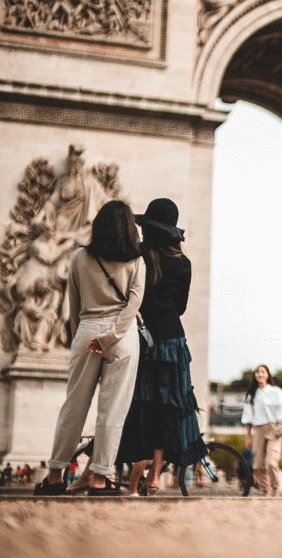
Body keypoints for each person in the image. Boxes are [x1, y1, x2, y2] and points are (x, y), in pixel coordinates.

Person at [35, 200, 145, 496]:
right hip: (123, 337)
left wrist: (83, 338)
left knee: (74, 406)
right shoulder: (137, 260)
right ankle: (99, 477)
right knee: (112, 411)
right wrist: (111, 337)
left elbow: (73, 306)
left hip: (87, 331)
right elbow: (134, 305)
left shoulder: (79, 257)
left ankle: (55, 475)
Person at [117, 198, 207, 497]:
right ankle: (155, 475)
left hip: (142, 338)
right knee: (169, 408)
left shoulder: (139, 257)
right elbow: (180, 307)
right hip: (173, 341)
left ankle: (133, 477)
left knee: (140, 407)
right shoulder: (184, 263)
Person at [241, 365, 282, 497]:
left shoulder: (275, 391)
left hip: (274, 429)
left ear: (267, 375)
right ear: (255, 376)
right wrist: (248, 436)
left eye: (262, 372)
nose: (260, 374)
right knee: (258, 465)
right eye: (257, 372)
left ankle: (276, 490)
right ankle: (266, 491)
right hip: (258, 430)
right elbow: (248, 418)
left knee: (271, 462)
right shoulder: (252, 395)